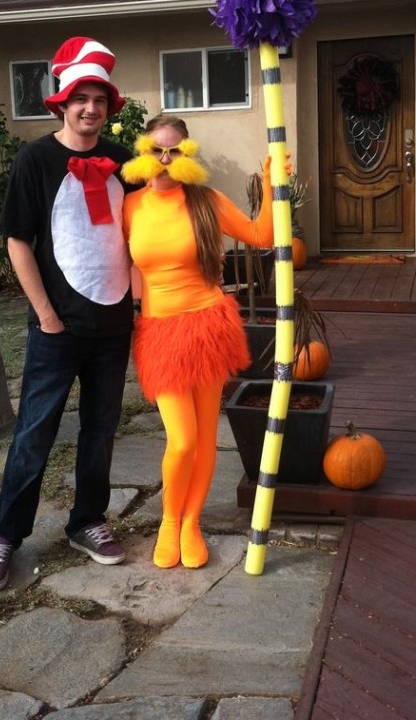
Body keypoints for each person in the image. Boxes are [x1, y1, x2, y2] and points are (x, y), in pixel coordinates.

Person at [0, 36, 135, 592]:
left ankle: (87, 521)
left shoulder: (123, 160)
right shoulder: (36, 160)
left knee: (100, 430)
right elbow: (18, 241)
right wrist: (45, 314)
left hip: (114, 325)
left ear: (108, 107)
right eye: (80, 98)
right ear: (62, 103)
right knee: (35, 433)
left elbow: (145, 225)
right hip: (57, 326)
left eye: (99, 99)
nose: (90, 108)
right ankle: (5, 534)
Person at [121, 115, 273, 569]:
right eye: (156, 150)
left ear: (189, 154)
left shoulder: (207, 202)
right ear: (143, 152)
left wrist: (272, 185)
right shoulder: (128, 205)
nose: (165, 160)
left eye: (175, 151)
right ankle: (169, 521)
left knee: (206, 436)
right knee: (182, 439)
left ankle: (191, 524)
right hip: (160, 333)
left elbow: (262, 235)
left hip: (208, 326)